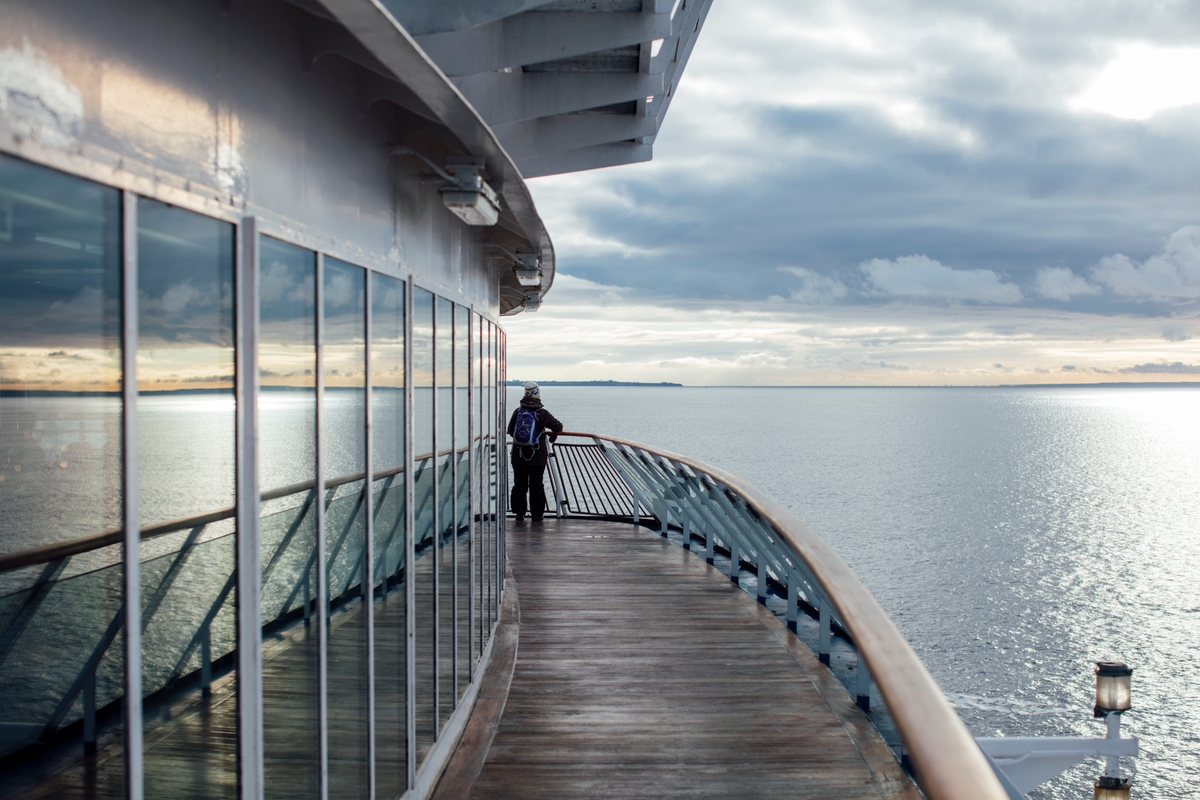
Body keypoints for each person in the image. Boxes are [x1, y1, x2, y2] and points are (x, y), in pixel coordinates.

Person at [507, 381, 563, 522]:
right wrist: (552, 434)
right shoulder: (542, 413)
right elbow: (558, 426)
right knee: (536, 484)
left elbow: (510, 431)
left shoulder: (518, 411)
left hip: (518, 456)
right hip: (537, 456)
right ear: (538, 394)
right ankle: (537, 515)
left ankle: (519, 514)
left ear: (525, 394)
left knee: (519, 484)